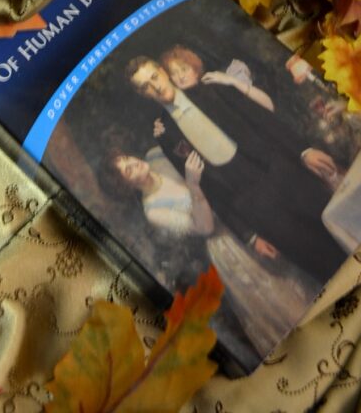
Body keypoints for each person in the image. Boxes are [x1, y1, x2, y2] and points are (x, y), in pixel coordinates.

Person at [124, 55, 347, 281]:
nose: (156, 86)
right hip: (254, 206)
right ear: (144, 95)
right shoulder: (165, 134)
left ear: (163, 71)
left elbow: (263, 119)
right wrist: (249, 235)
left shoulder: (213, 88)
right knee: (326, 266)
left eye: (155, 77)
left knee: (344, 228)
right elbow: (209, 189)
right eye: (147, 87)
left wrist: (304, 151)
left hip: (282, 172)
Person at [100, 143, 317, 358]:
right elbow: (205, 227)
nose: (134, 163)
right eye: (128, 170)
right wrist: (193, 186)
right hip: (229, 245)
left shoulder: (156, 155)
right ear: (127, 187)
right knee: (286, 302)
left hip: (244, 213)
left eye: (126, 158)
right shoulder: (154, 211)